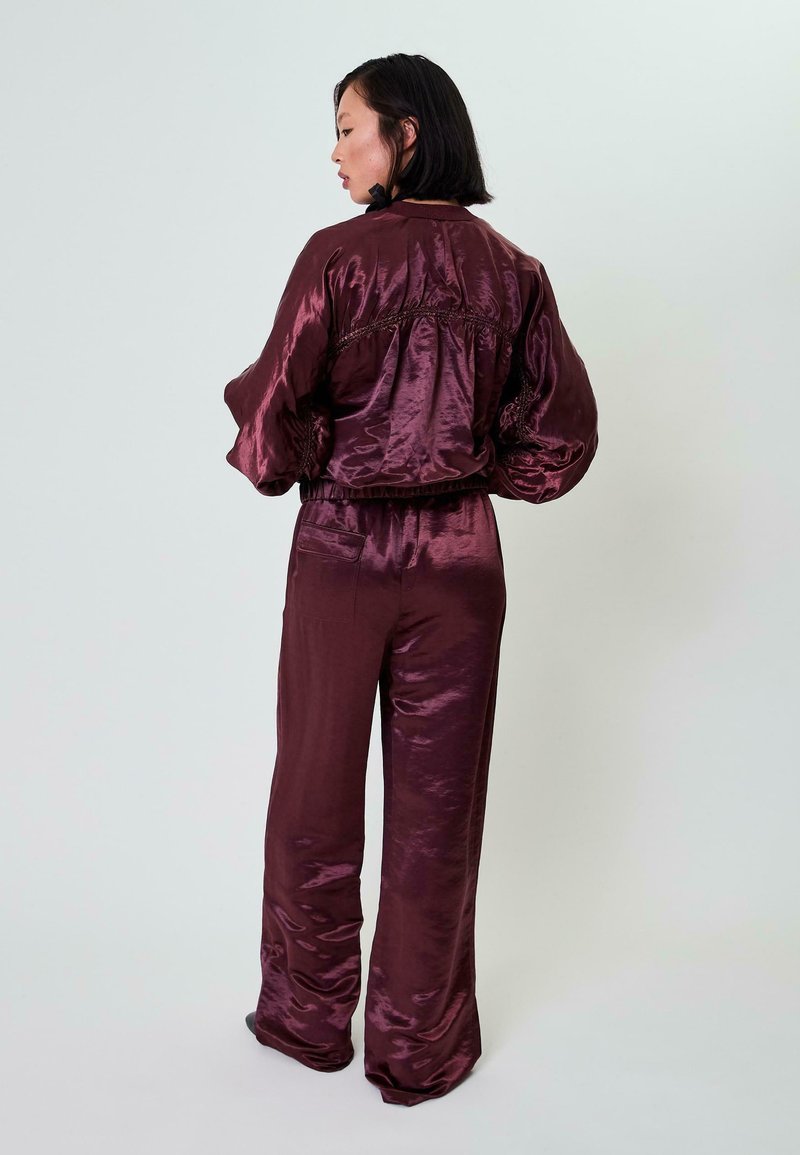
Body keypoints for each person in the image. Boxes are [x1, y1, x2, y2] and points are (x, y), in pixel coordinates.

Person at [223, 53, 599, 1107]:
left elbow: (267, 427)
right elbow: (562, 435)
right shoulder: (512, 271)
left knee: (313, 789)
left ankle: (306, 1017)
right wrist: (467, 468)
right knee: (440, 810)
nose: (335, 151)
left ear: (407, 135)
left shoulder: (335, 257)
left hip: (343, 551)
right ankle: (419, 1046)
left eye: (349, 127)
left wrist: (330, 457)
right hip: (460, 561)